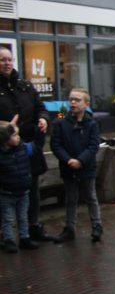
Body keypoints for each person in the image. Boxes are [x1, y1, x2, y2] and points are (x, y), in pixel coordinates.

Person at [0, 46, 54, 243]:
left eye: (9, 59)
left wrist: (43, 119)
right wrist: (6, 129)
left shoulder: (26, 85)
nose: (7, 63)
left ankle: (33, 228)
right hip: (5, 151)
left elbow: (41, 108)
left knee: (32, 190)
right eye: (2, 60)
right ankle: (6, 235)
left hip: (29, 148)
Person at [50, 88, 102, 243]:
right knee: (70, 198)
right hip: (68, 167)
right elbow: (56, 145)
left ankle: (97, 226)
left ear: (86, 104)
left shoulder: (92, 124)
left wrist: (80, 160)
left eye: (77, 100)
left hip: (86, 167)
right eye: (71, 99)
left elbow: (94, 145)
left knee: (90, 196)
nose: (73, 102)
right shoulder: (61, 123)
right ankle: (70, 228)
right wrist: (68, 160)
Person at [0, 117, 39, 253]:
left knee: (23, 216)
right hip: (7, 192)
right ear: (5, 139)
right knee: (8, 218)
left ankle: (24, 237)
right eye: (14, 135)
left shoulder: (23, 148)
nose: (18, 137)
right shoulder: (2, 154)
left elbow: (36, 145)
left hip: (23, 191)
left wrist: (39, 130)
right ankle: (8, 240)